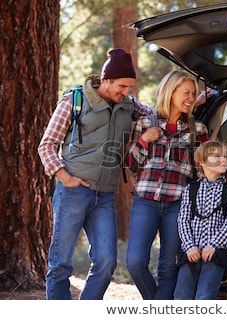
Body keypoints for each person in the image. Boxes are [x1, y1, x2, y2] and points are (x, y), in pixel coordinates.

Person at [38, 48, 152, 299]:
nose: (126, 92)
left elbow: (159, 113)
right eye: (122, 86)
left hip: (105, 195)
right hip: (73, 192)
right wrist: (64, 176)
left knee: (106, 262)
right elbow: (46, 145)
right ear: (106, 80)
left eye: (130, 87)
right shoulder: (74, 101)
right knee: (60, 263)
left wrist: (195, 100)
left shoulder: (128, 105)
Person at [125, 70, 210, 300]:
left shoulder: (198, 130)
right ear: (170, 92)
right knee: (134, 261)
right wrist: (144, 140)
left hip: (178, 205)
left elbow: (205, 171)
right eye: (186, 93)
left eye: (194, 93)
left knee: (168, 267)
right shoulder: (145, 124)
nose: (191, 98)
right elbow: (131, 165)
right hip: (145, 202)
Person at [173, 140, 227, 300]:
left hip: (216, 254)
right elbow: (183, 220)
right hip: (191, 253)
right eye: (217, 156)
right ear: (202, 162)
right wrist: (189, 246)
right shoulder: (191, 189)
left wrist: (213, 245)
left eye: (224, 156)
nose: (224, 159)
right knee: (181, 296)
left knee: (205, 296)